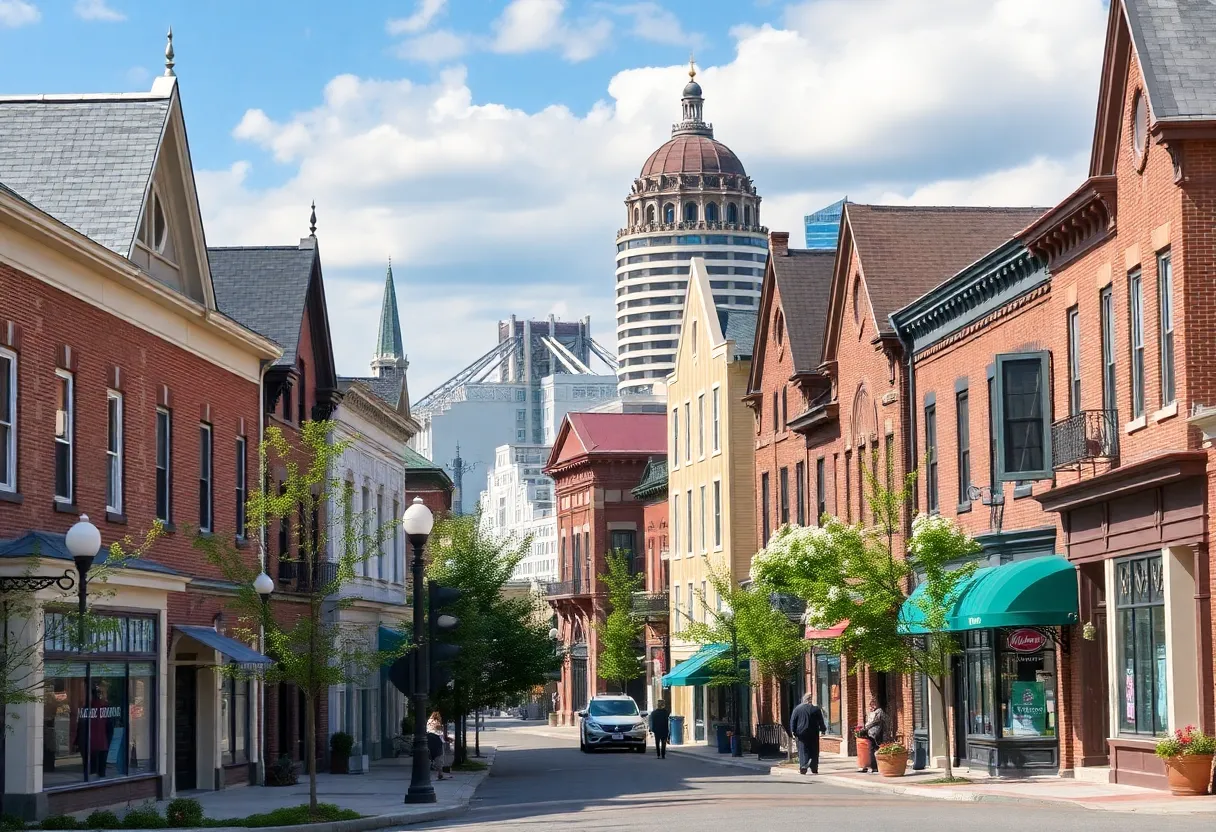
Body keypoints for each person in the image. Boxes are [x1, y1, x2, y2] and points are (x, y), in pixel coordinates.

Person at [789, 692, 828, 775]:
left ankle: (803, 766)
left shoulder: (797, 709)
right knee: (814, 750)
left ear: (804, 700)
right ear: (810, 700)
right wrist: (823, 730)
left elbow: (793, 720)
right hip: (813, 732)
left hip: (801, 733)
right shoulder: (816, 709)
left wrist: (793, 731)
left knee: (803, 749)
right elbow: (820, 721)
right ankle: (814, 767)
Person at [860, 697, 885, 773]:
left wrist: (867, 727)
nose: (872, 707)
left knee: (875, 748)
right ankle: (874, 766)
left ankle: (876, 766)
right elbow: (870, 721)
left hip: (876, 733)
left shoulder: (879, 711)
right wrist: (865, 728)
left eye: (873, 705)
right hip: (871, 733)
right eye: (871, 705)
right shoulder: (872, 712)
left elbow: (876, 721)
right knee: (872, 749)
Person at [426, 711, 447, 780]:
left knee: (429, 756)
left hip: (428, 739)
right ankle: (440, 773)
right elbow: (441, 734)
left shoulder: (428, 722)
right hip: (437, 740)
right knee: (439, 756)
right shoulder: (438, 723)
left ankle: (426, 774)